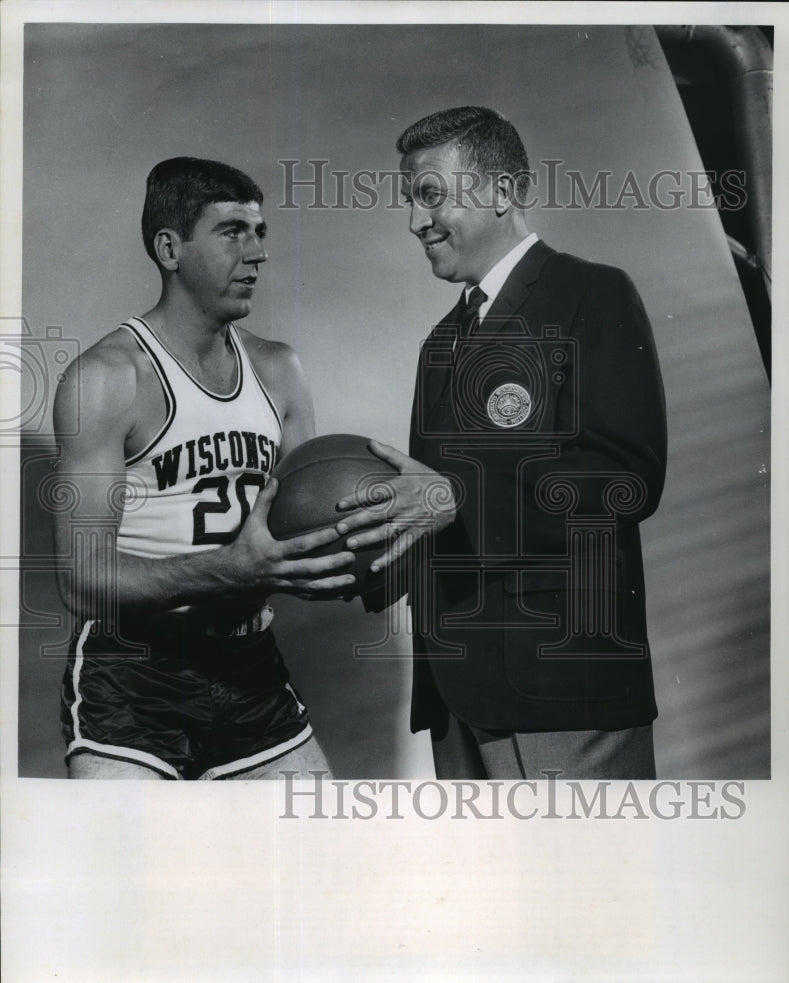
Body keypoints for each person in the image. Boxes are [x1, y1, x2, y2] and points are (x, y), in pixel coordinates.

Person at [337, 107, 667, 779]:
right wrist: (368, 551)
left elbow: (624, 477)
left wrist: (453, 497)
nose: (413, 221)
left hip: (561, 689)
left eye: (430, 195)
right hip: (457, 697)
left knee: (582, 884)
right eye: (410, 200)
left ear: (500, 192)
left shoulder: (589, 295)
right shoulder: (441, 341)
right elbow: (431, 509)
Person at [53, 156, 358, 780]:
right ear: (170, 247)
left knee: (326, 861)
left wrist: (369, 543)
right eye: (232, 232)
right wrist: (229, 569)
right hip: (133, 672)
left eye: (260, 232)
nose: (257, 253)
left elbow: (305, 524)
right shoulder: (107, 378)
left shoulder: (279, 370)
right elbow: (81, 579)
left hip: (249, 667)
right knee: (126, 875)